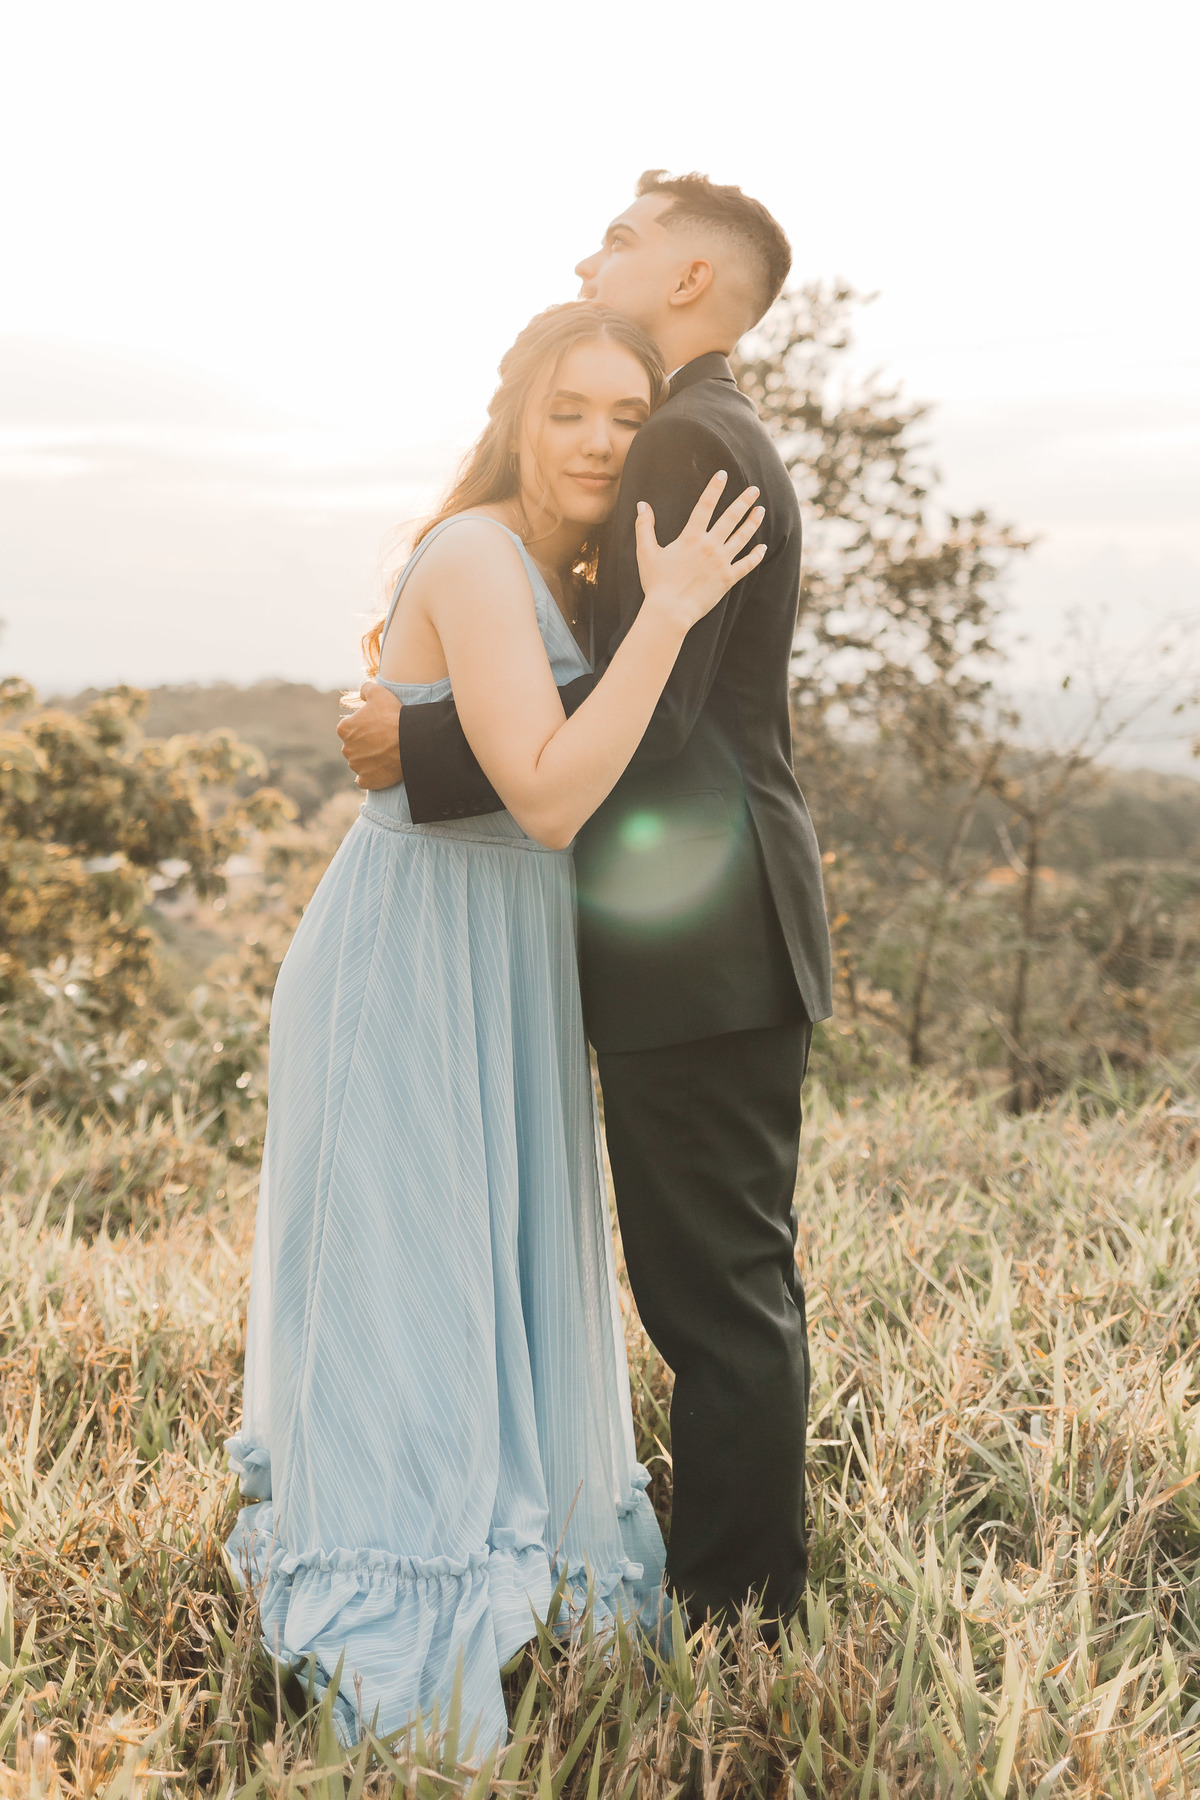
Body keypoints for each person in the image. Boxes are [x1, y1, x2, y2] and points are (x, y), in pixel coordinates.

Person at [225, 300, 766, 1749]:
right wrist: (669, 612)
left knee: (499, 1265)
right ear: (518, 417)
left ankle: (517, 1557)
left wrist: (638, 612)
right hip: (408, 955)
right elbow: (548, 793)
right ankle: (402, 1589)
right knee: (411, 1284)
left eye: (621, 416)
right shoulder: (473, 555)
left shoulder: (573, 568)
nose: (597, 440)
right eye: (568, 410)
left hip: (511, 956)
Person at [337, 172, 835, 1636]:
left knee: (715, 1295)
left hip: (703, 935)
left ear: (688, 279)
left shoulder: (685, 434)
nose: (590, 254)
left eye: (619, 238)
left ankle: (741, 1612)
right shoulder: (716, 427)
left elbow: (656, 707)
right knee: (729, 1281)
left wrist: (416, 742)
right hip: (726, 926)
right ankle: (747, 1585)